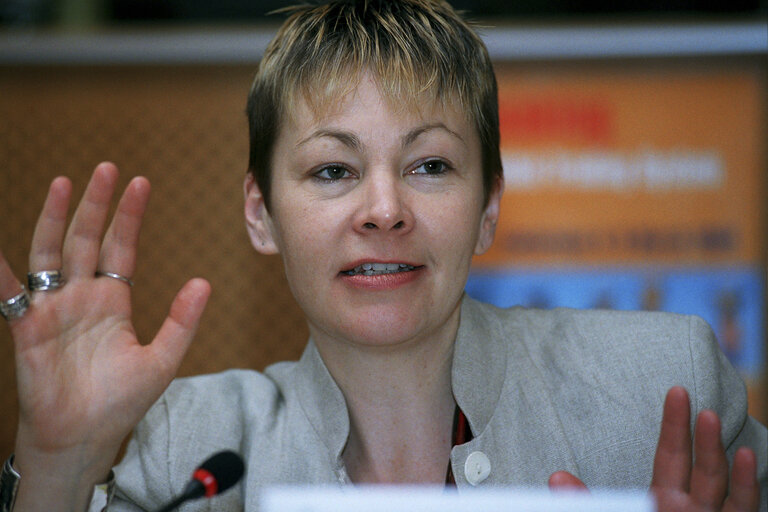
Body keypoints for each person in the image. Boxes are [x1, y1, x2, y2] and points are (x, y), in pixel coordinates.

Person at [0, 1, 765, 511]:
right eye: (333, 170)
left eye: (429, 165)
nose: (385, 210)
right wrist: (57, 465)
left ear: (489, 207)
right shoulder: (192, 449)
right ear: (260, 214)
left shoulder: (663, 397)